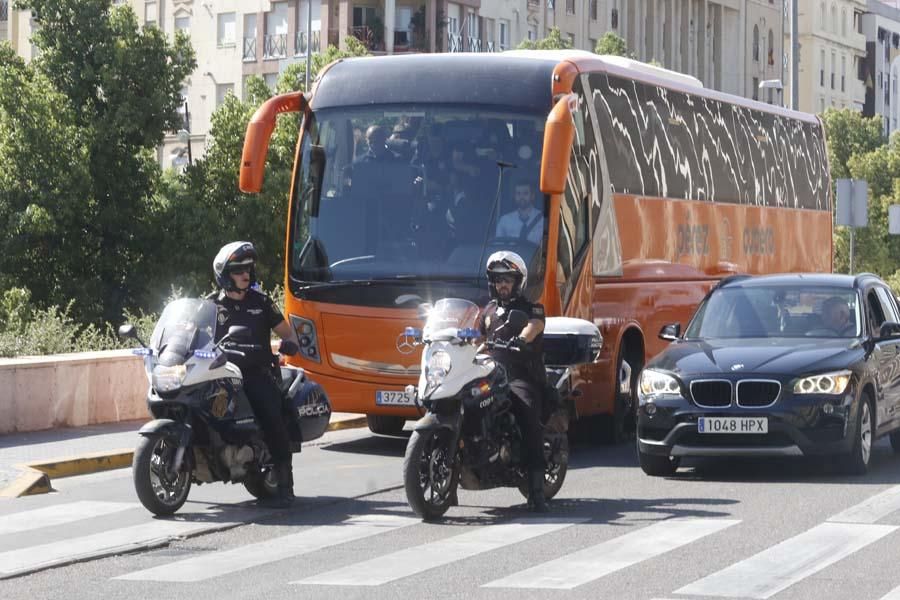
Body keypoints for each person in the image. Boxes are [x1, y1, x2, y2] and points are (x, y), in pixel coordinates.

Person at [210, 241, 300, 508]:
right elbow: (194, 333)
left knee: (271, 413)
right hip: (221, 373)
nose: (246, 274)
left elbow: (287, 332)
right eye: (239, 270)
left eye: (248, 269)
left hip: (254, 373)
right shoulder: (211, 306)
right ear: (225, 275)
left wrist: (289, 343)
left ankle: (285, 479)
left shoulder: (261, 303)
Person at [479, 250, 549, 513]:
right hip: (490, 373)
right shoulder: (487, 311)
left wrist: (522, 337)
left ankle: (537, 490)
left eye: (507, 279)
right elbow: (476, 339)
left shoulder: (531, 308)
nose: (502, 284)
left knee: (527, 414)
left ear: (518, 281)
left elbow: (534, 327)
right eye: (497, 279)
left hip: (520, 375)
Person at [495, 181, 542, 246]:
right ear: (514, 196)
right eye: (518, 194)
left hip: (535, 256)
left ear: (532, 196)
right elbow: (498, 247)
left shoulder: (543, 220)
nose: (521, 197)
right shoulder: (505, 220)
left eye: (525, 193)